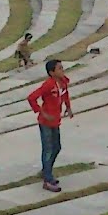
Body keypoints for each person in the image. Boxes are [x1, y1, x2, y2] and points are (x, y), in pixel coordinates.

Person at [27, 58, 72, 193]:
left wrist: (68, 107)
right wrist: (41, 112)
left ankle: (46, 171)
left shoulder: (63, 83)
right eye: (59, 68)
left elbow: (65, 94)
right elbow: (31, 98)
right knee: (47, 149)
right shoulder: (48, 85)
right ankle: (47, 180)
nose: (62, 70)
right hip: (45, 122)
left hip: (55, 121)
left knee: (57, 147)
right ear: (52, 72)